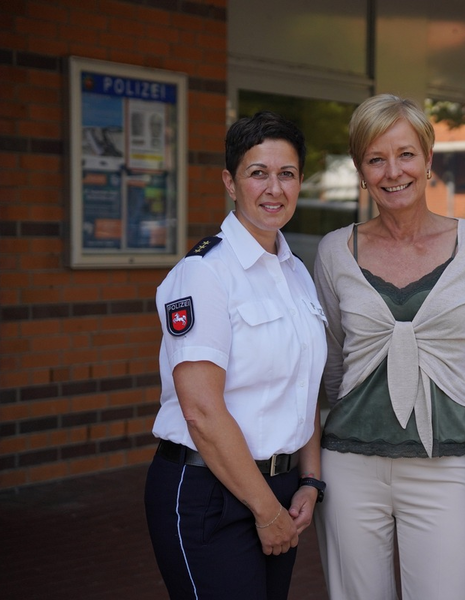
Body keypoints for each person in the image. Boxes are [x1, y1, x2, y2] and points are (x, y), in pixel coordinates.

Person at [313, 94, 465, 600]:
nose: (392, 171)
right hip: (348, 464)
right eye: (375, 159)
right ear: (361, 171)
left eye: (405, 154)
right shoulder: (335, 249)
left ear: (428, 161)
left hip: (441, 464)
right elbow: (331, 356)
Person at [144, 111, 328, 600]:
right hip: (209, 494)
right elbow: (202, 411)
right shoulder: (204, 273)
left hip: (281, 490)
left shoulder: (296, 274)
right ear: (230, 182)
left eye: (286, 174)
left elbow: (303, 387)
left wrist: (310, 479)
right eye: (257, 173)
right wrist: (266, 511)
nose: (274, 188)